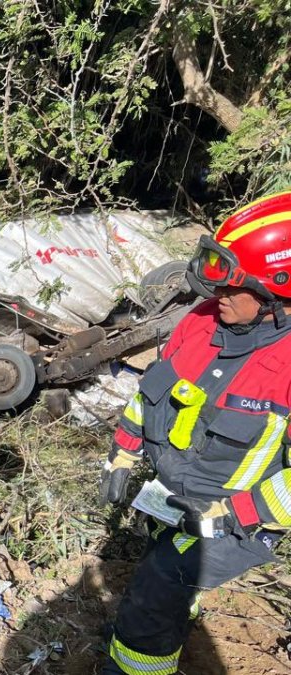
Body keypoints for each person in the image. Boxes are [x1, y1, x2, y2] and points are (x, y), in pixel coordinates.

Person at [100, 191, 291, 674]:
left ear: (280, 291)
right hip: (174, 495)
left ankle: (135, 664)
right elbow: (150, 395)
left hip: (241, 519)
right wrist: (123, 455)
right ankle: (160, 625)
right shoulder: (201, 323)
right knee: (162, 580)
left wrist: (229, 516)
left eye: (232, 289)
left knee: (157, 589)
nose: (215, 297)